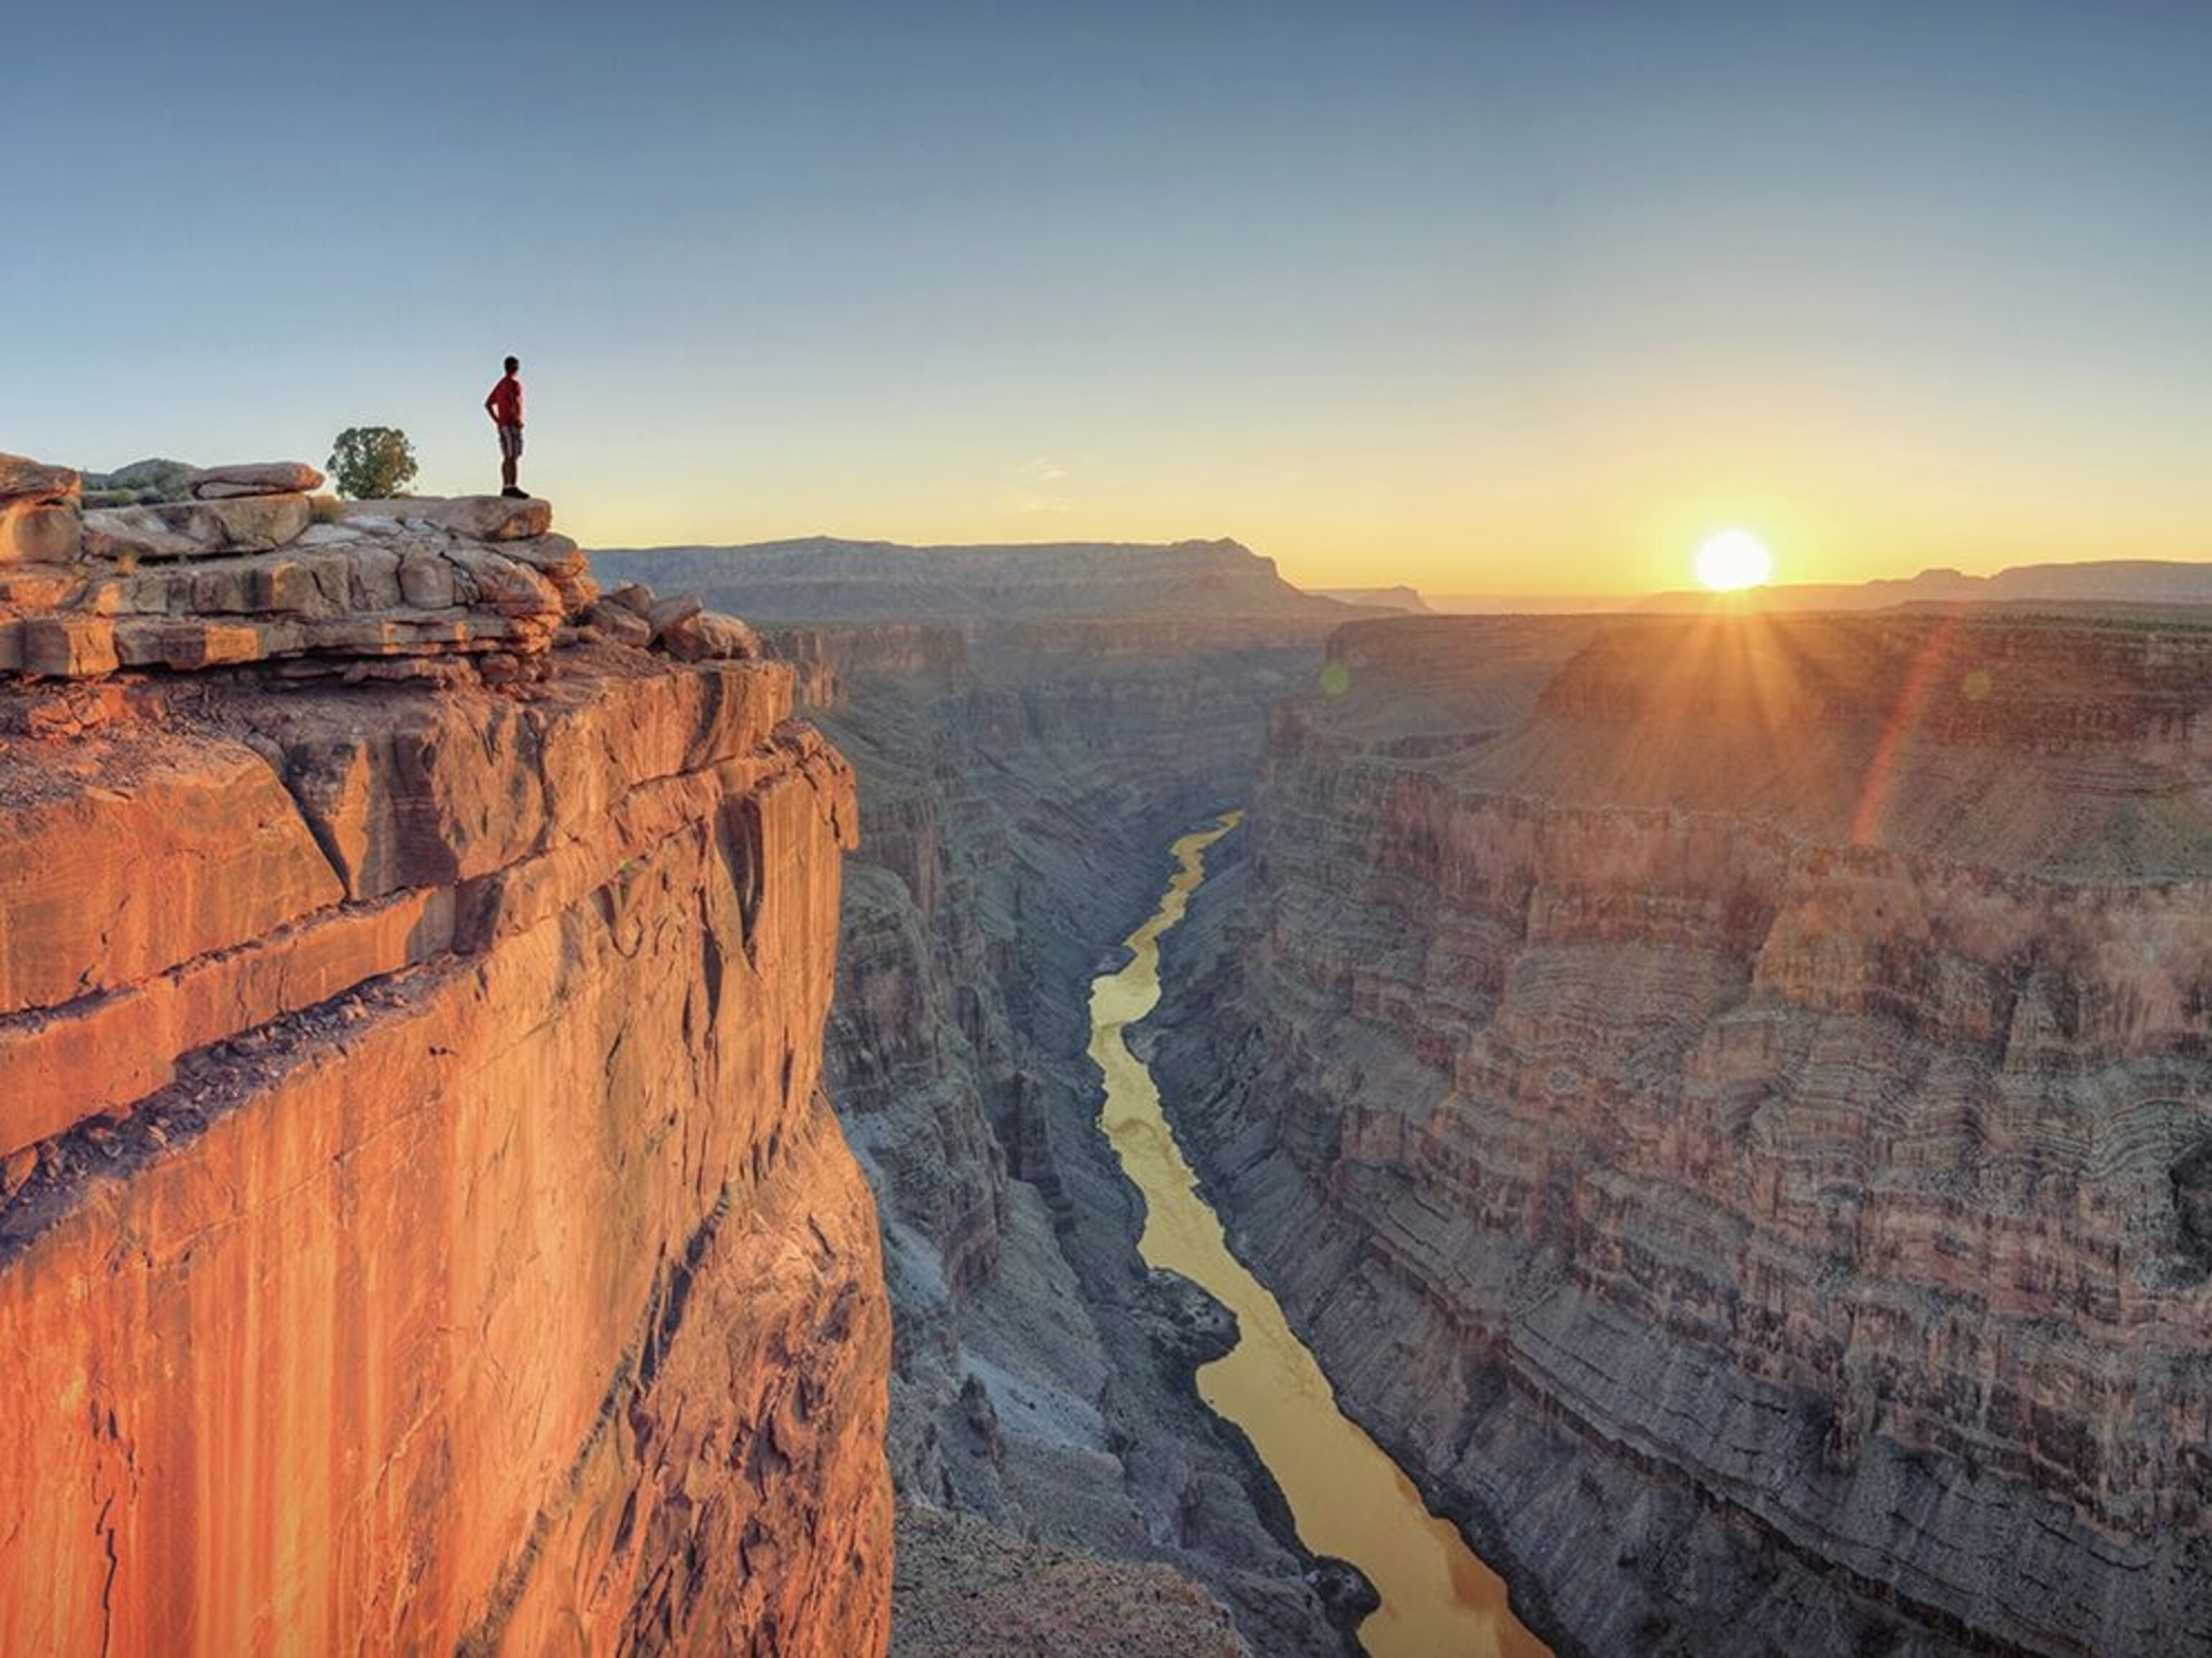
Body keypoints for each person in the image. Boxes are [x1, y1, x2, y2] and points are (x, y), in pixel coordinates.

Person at [484, 355, 526, 498]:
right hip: (511, 424)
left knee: (507, 456)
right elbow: (513, 403)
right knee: (512, 456)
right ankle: (512, 487)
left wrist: (497, 420)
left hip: (503, 424)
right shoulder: (513, 384)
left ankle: (506, 486)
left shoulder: (501, 384)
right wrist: (516, 419)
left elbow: (488, 404)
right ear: (515, 367)